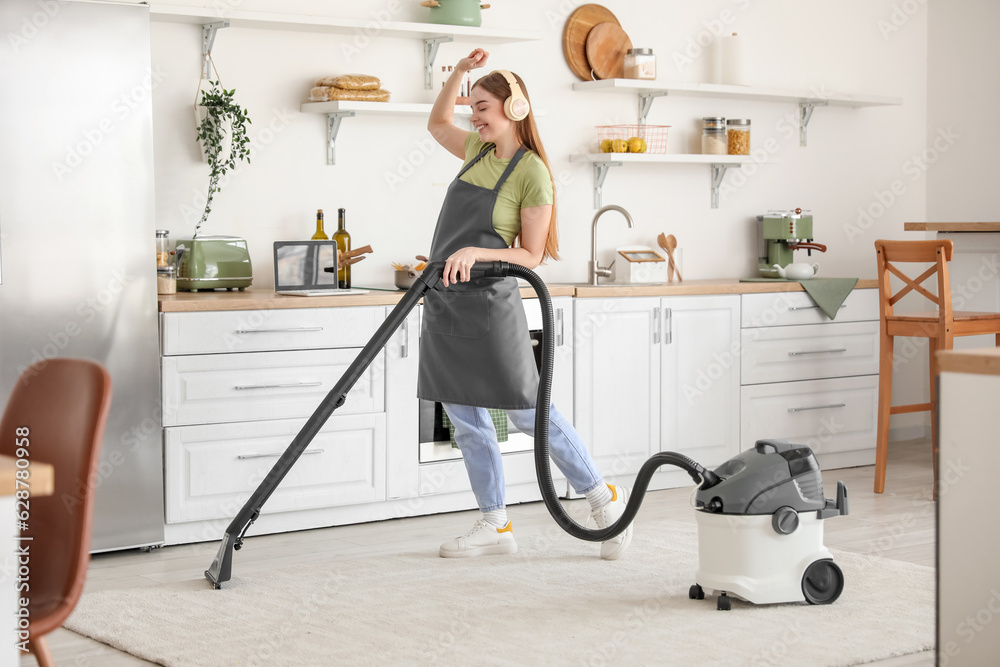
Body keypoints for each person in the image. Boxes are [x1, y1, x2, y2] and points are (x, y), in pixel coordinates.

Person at [421, 48, 634, 561]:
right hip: (446, 302)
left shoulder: (531, 171)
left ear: (514, 108)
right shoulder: (475, 150)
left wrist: (475, 251)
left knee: (527, 414)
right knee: (466, 420)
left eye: (484, 107)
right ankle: (494, 525)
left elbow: (532, 254)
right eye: (473, 107)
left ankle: (603, 502)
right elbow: (435, 124)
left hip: (492, 306)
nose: (475, 116)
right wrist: (457, 75)